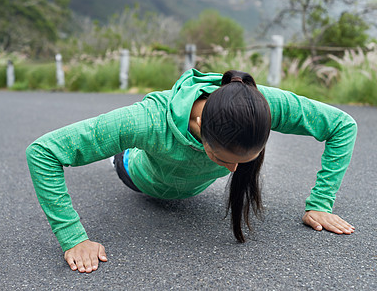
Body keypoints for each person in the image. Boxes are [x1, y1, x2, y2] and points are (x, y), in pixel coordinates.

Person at [26, 69, 357, 273]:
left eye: (243, 160)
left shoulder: (262, 105)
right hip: (136, 176)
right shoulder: (145, 120)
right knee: (120, 143)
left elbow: (342, 125)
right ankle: (115, 149)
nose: (234, 169)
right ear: (199, 125)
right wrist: (73, 239)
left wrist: (320, 202)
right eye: (225, 158)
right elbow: (43, 152)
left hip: (185, 183)